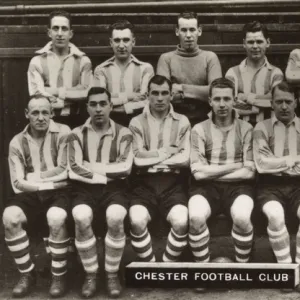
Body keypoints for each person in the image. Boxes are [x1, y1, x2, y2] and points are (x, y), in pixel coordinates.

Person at [67, 87, 133, 298]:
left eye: (103, 103)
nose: (98, 109)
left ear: (111, 106)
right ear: (86, 107)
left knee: (115, 216)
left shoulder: (124, 132)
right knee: (81, 216)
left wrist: (90, 165)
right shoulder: (76, 134)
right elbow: (74, 170)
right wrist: (106, 171)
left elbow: (125, 169)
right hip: (85, 189)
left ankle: (112, 273)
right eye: (93, 104)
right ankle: (91, 274)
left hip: (115, 189)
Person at [2, 96, 71, 298]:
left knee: (56, 217)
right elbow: (17, 184)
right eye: (35, 113)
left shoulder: (63, 132)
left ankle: (58, 275)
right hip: (32, 194)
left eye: (45, 112)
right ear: (27, 114)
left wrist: (36, 178)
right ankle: (27, 274)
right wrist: (50, 182)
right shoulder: (17, 141)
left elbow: (65, 171)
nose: (40, 118)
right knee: (10, 217)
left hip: (60, 192)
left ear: (52, 113)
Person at [188, 78, 255, 268]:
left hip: (239, 187)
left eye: (227, 98)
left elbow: (249, 174)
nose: (222, 104)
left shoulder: (247, 129)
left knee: (242, 217)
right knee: (195, 217)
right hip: (205, 188)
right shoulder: (199, 129)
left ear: (234, 100)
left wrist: (211, 171)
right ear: (209, 101)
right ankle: (203, 270)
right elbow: (198, 175)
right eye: (217, 99)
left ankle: (242, 268)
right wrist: (236, 165)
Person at [129, 75, 190, 263]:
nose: (160, 98)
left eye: (165, 93)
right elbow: (137, 160)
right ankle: (150, 266)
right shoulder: (136, 122)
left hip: (173, 183)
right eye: (155, 93)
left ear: (171, 95)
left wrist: (152, 157)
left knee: (181, 221)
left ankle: (167, 265)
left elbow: (185, 159)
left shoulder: (182, 121)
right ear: (148, 95)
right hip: (144, 183)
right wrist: (167, 152)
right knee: (137, 220)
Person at [253, 81, 300, 287]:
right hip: (269, 186)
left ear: (296, 103)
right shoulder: (261, 128)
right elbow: (262, 164)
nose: (283, 106)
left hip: (298, 185)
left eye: (288, 102)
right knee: (275, 215)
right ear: (271, 104)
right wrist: (293, 160)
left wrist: (277, 162)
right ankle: (285, 270)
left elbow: (271, 162)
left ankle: (299, 269)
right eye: (279, 101)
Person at [27, 10, 93, 129]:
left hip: (78, 121)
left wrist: (52, 91)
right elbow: (38, 95)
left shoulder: (84, 61)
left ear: (71, 33)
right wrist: (74, 92)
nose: (60, 33)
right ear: (49, 32)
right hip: (47, 122)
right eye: (55, 28)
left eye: (64, 29)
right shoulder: (36, 61)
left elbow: (87, 94)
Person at [157, 11, 222, 126]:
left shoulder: (210, 57)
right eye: (183, 30)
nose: (188, 35)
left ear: (199, 31)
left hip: (206, 121)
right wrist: (201, 93)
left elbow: (216, 92)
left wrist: (181, 88)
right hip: (173, 122)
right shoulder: (166, 59)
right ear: (177, 31)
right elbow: (163, 95)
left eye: (192, 30)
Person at [94, 19, 154, 126]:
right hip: (109, 125)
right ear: (111, 42)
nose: (121, 46)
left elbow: (147, 102)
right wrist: (130, 97)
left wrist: (116, 103)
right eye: (117, 40)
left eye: (126, 40)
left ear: (133, 42)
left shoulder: (145, 69)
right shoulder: (101, 70)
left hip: (139, 124)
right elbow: (100, 102)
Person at [226, 21, 283, 126]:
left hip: (269, 131)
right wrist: (260, 104)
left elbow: (276, 102)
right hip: (239, 130)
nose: (255, 46)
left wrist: (245, 97)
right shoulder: (232, 73)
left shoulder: (276, 73)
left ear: (268, 42)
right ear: (244, 43)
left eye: (259, 41)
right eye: (251, 42)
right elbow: (229, 104)